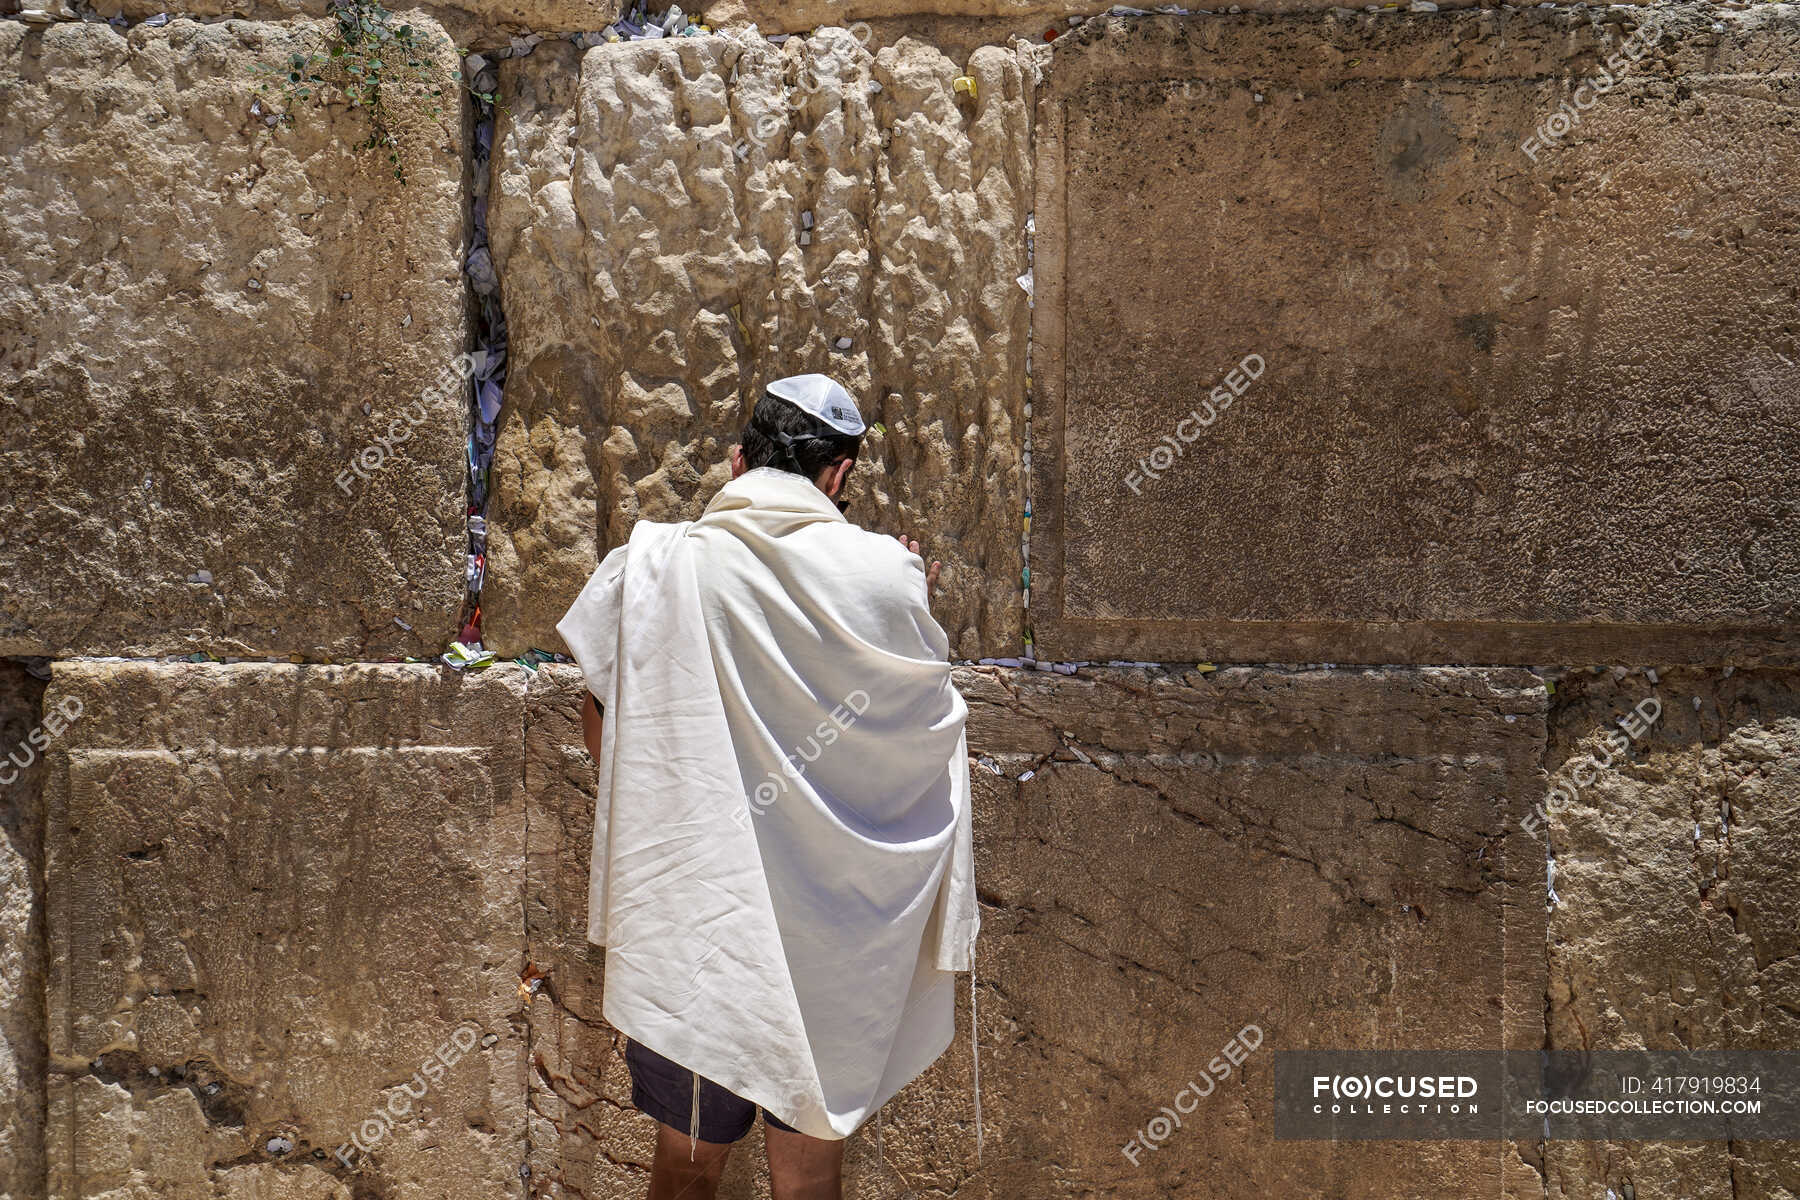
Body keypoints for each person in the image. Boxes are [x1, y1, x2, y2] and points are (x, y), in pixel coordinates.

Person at [557, 374, 978, 1200]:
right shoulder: (888, 576)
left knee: (685, 1166)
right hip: (838, 943)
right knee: (811, 1173)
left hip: (699, 931)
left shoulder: (658, 565)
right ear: (838, 477)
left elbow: (606, 723)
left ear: (741, 458)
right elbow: (924, 730)